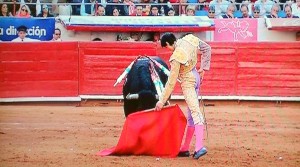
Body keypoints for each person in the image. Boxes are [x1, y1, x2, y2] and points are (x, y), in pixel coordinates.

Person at [155, 33, 211, 160]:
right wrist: (203, 68)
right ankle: (185, 148)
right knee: (192, 114)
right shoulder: (189, 38)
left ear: (169, 44)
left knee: (195, 113)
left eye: (166, 47)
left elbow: (171, 82)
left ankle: (199, 147)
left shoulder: (176, 57)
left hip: (188, 82)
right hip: (196, 76)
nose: (168, 50)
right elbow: (207, 48)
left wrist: (161, 101)